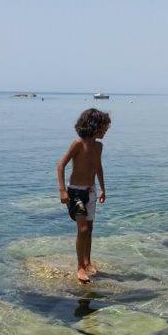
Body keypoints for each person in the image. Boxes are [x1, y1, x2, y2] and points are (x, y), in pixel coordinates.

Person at [57, 108, 111, 283]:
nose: (106, 130)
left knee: (90, 229)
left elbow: (98, 168)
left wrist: (103, 188)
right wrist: (62, 190)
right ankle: (79, 267)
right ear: (94, 126)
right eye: (104, 127)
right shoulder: (78, 144)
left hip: (91, 191)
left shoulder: (99, 146)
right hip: (75, 192)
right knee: (83, 229)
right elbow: (60, 166)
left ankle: (87, 261)